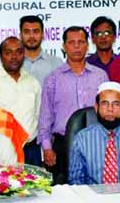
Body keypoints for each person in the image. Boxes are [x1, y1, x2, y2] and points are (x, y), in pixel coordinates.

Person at [38, 26, 109, 183]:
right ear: (64, 46)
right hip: (63, 145)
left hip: (96, 143)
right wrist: (47, 148)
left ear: (87, 45)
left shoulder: (100, 76)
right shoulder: (53, 79)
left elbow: (108, 112)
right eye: (71, 42)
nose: (76, 46)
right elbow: (45, 116)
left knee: (98, 191)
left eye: (81, 42)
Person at [69, 82, 120, 184]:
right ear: (96, 108)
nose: (110, 109)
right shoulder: (81, 138)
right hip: (92, 198)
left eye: (116, 104)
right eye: (104, 103)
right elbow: (76, 182)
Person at [0, 37, 42, 166]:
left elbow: (38, 116)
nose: (14, 56)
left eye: (18, 52)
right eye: (8, 52)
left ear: (23, 55)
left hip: (31, 151)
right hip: (0, 152)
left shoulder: (33, 83)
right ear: (1, 57)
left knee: (36, 186)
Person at [19, 15, 64, 85]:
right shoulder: (13, 63)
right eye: (27, 32)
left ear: (43, 35)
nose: (31, 36)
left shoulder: (56, 63)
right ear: (20, 36)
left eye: (36, 31)